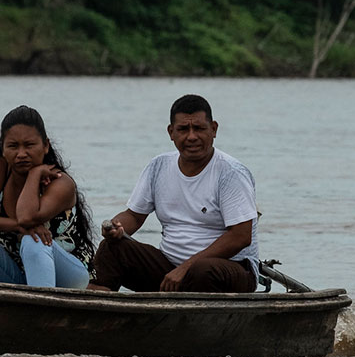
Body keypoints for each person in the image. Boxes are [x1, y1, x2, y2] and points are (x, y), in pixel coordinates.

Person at [89, 94, 258, 293]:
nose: (192, 136)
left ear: (214, 129)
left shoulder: (230, 173)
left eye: (199, 128)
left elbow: (240, 236)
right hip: (171, 270)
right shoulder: (159, 166)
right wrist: (116, 227)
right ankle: (98, 305)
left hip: (229, 270)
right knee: (112, 247)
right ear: (171, 132)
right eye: (183, 129)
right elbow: (134, 216)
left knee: (202, 270)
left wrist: (186, 268)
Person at [0, 105, 95, 289]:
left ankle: (43, 311)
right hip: (15, 273)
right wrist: (17, 226)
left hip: (68, 277)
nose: (21, 154)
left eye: (29, 145)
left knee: (33, 240)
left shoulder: (61, 183)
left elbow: (27, 218)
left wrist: (34, 175)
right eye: (13, 146)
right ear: (3, 148)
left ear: (45, 146)